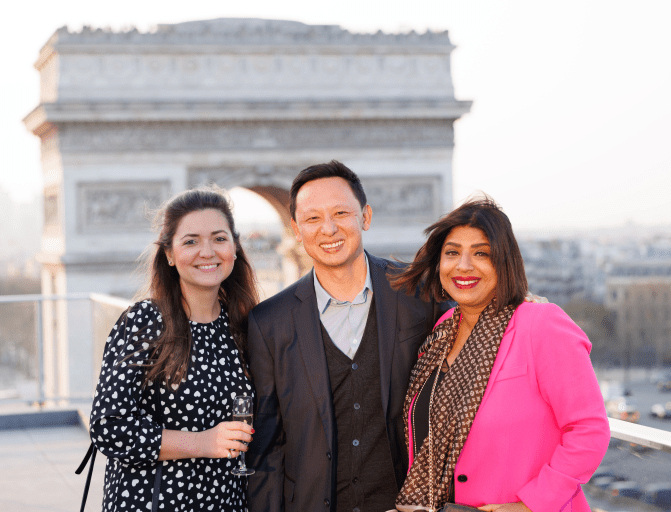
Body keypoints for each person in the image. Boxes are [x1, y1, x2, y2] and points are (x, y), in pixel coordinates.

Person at [246, 161, 450, 512]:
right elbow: (266, 447)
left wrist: (519, 308)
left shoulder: (421, 294)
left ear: (365, 217)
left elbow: (475, 335)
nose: (328, 229)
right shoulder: (269, 322)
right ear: (295, 229)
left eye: (341, 213)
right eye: (312, 218)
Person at [390, 197, 610, 512]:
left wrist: (531, 505)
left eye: (481, 253)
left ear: (504, 262)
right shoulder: (442, 330)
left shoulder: (541, 324)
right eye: (452, 252)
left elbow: (589, 430)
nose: (463, 266)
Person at [89, 188, 258, 512]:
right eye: (191, 241)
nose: (207, 252)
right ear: (169, 253)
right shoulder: (144, 322)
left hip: (226, 502)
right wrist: (202, 442)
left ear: (235, 247)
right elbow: (108, 427)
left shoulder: (243, 326)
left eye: (219, 239)